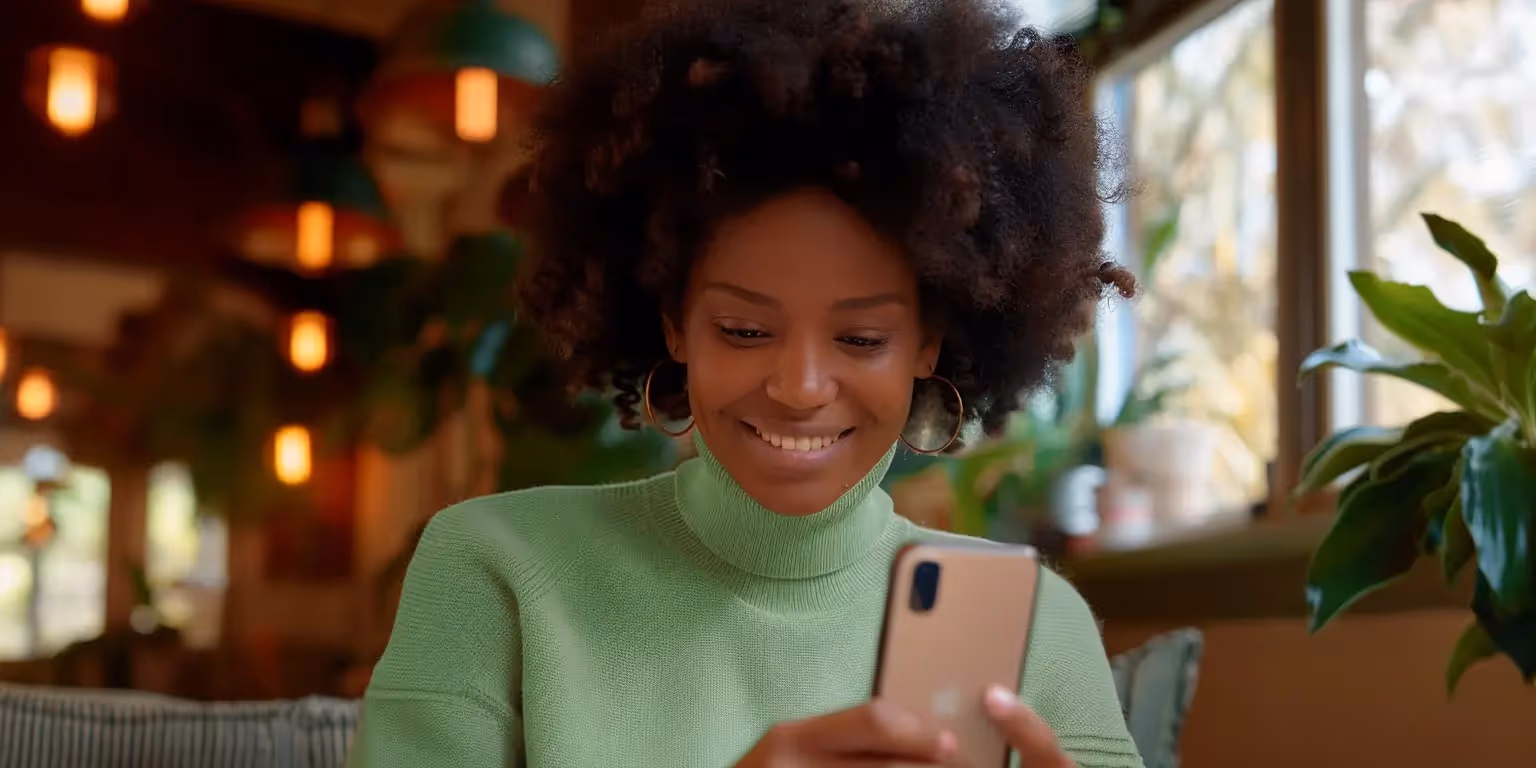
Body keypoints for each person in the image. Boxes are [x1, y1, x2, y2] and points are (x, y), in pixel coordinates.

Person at [349, 0, 1141, 765]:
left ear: (928, 344)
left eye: (861, 338)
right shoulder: (495, 571)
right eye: (744, 330)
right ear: (673, 321)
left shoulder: (1038, 630)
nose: (799, 386)